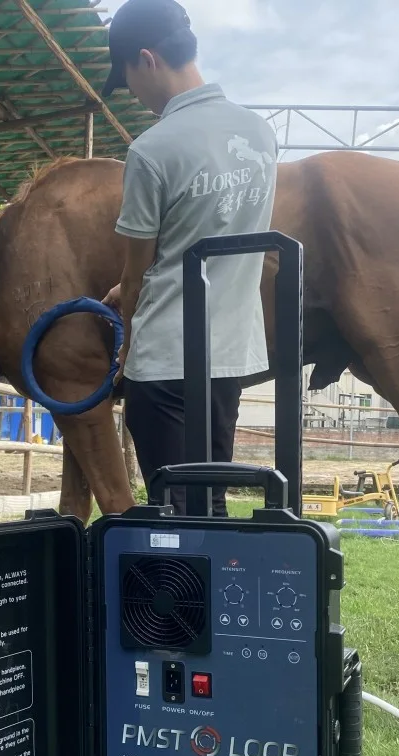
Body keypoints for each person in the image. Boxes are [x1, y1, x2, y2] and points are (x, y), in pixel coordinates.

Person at [102, 0, 278, 515]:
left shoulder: (152, 150)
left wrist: (124, 338)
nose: (133, 92)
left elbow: (135, 280)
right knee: (210, 506)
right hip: (228, 357)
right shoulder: (259, 134)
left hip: (163, 364)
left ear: (147, 59)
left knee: (173, 515)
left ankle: (181, 597)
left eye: (128, 77)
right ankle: (217, 594)